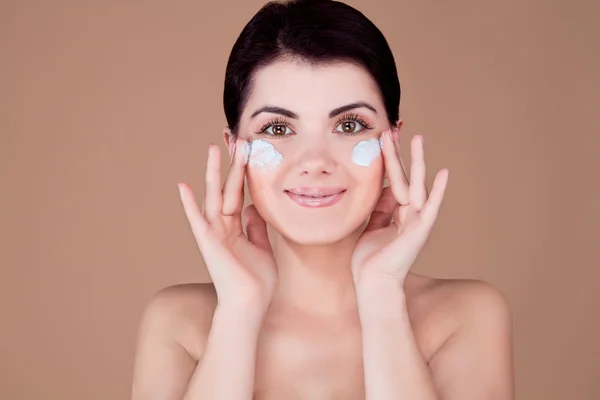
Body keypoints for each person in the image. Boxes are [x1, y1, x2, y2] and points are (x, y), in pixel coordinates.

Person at [131, 0, 515, 399]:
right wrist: (239, 311)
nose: (315, 162)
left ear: (392, 140)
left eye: (349, 125)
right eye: (278, 128)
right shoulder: (181, 323)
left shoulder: (465, 316)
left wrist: (382, 297)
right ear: (234, 148)